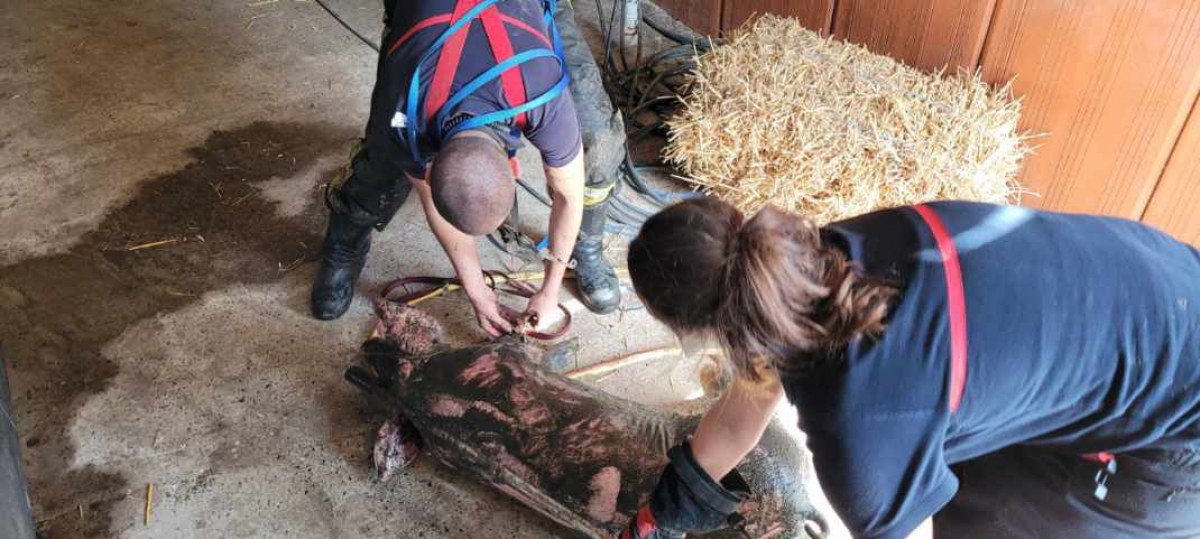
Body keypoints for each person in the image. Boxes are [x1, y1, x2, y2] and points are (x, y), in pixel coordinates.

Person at [620, 197, 1200, 539]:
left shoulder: (858, 434)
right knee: (957, 458)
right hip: (1168, 283)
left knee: (979, 520)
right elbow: (740, 411)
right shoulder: (820, 257)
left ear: (711, 333)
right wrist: (659, 516)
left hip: (1178, 426)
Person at [311, 0, 625, 333]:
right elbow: (432, 197)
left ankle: (585, 245)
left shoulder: (541, 89)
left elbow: (570, 195)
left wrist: (552, 287)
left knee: (597, 137)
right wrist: (476, 289)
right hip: (424, 21)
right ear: (515, 169)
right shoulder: (404, 105)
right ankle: (345, 239)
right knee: (385, 156)